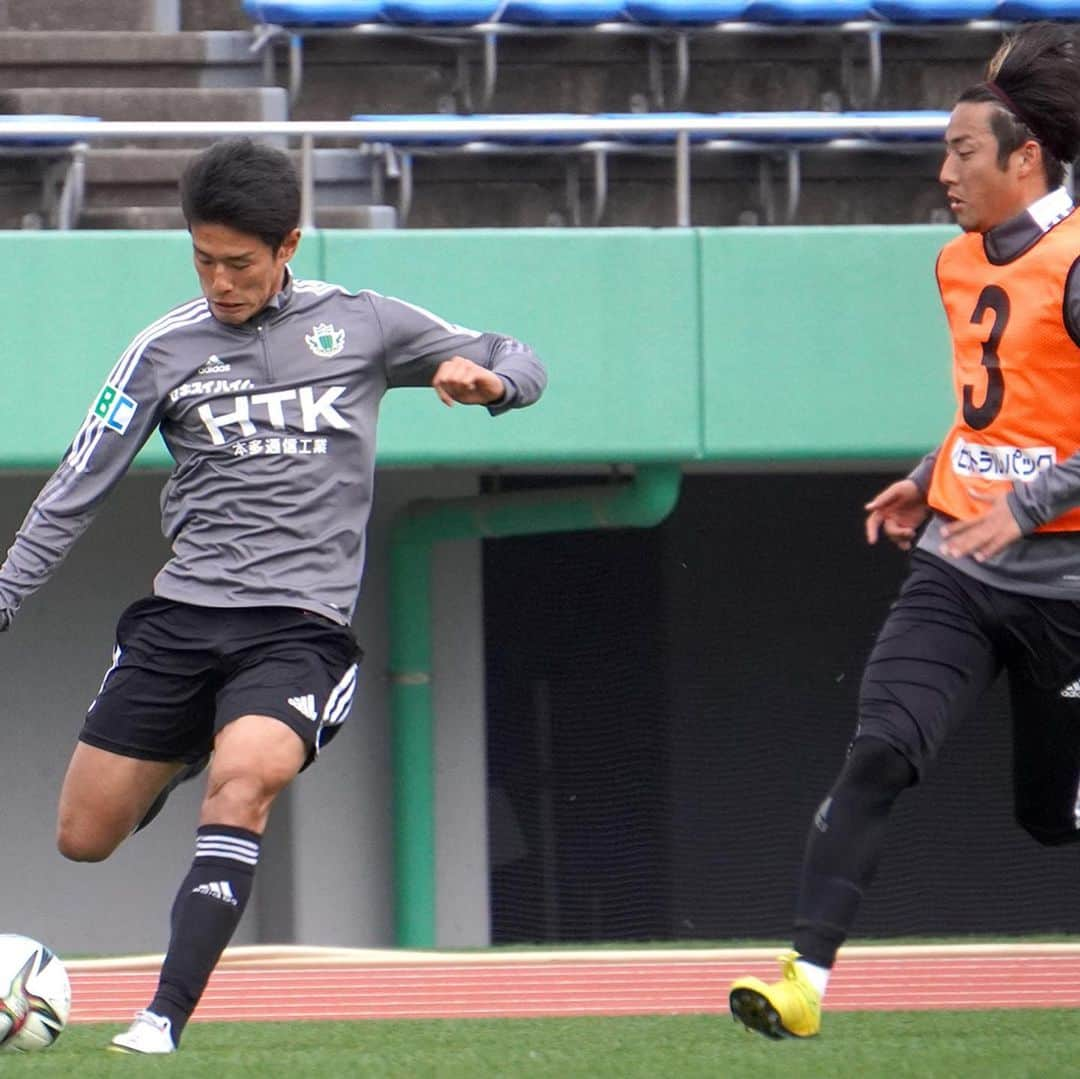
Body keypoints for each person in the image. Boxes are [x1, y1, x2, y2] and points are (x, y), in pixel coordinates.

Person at [0, 138, 546, 1053]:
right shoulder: (162, 348)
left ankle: (160, 1017)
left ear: (289, 243)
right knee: (84, 836)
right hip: (181, 618)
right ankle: (180, 753)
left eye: (240, 263)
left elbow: (517, 353)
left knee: (245, 778)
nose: (220, 280)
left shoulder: (366, 323)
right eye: (203, 259)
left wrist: (489, 382)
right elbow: (75, 485)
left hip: (299, 629)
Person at [729, 22, 1080, 1040]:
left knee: (1048, 817)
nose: (943, 172)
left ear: (1025, 157)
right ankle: (803, 981)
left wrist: (1024, 504)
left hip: (1063, 585)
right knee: (880, 747)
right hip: (958, 566)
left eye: (962, 152)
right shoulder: (954, 264)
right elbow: (1000, 410)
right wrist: (933, 477)